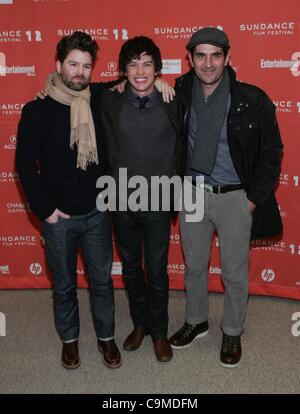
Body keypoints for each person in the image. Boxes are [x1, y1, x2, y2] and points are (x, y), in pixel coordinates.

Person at [169, 27, 283, 367]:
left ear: (227, 58)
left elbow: (272, 151)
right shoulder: (179, 93)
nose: (208, 63)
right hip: (192, 194)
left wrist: (253, 198)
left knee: (234, 271)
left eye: (215, 55)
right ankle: (196, 320)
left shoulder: (252, 99)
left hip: (234, 198)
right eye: (200, 55)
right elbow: (132, 92)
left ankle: (232, 330)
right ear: (190, 60)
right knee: (193, 267)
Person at [16, 31, 122, 370]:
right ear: (58, 65)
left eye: (86, 66)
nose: (79, 72)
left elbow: (136, 79)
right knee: (63, 286)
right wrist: (45, 210)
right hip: (58, 217)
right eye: (73, 64)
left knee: (102, 282)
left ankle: (107, 338)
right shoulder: (36, 110)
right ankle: (70, 342)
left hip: (96, 213)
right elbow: (24, 165)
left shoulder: (98, 98)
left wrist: (162, 85)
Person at [99, 36, 183, 362]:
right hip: (121, 199)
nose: (140, 71)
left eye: (147, 64)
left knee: (157, 270)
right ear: (123, 70)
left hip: (160, 200)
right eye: (133, 64)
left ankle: (159, 332)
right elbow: (76, 85)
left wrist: (163, 82)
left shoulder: (174, 98)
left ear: (157, 69)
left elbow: (209, 79)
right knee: (132, 268)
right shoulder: (109, 101)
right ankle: (140, 325)